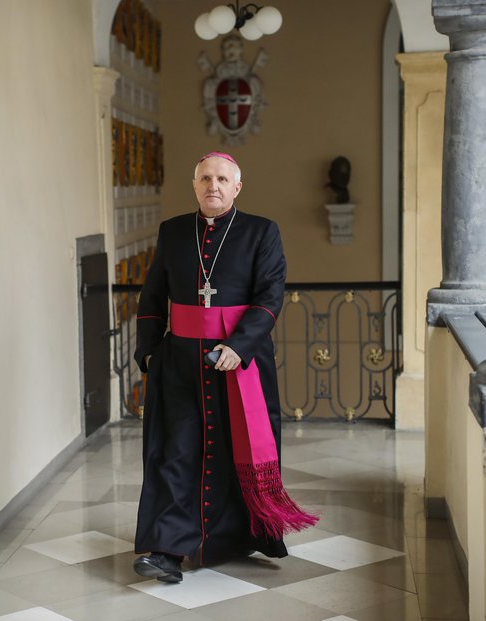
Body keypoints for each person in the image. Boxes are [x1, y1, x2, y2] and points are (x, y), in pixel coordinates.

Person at [132, 152, 317, 584]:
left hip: (238, 362)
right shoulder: (173, 231)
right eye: (204, 179)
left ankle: (237, 537)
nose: (212, 186)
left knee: (237, 449)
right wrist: (149, 348)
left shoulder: (261, 231)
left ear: (237, 187)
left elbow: (270, 295)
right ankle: (167, 550)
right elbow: (154, 292)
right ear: (194, 185)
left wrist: (239, 344)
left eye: (221, 179)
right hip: (180, 362)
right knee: (176, 451)